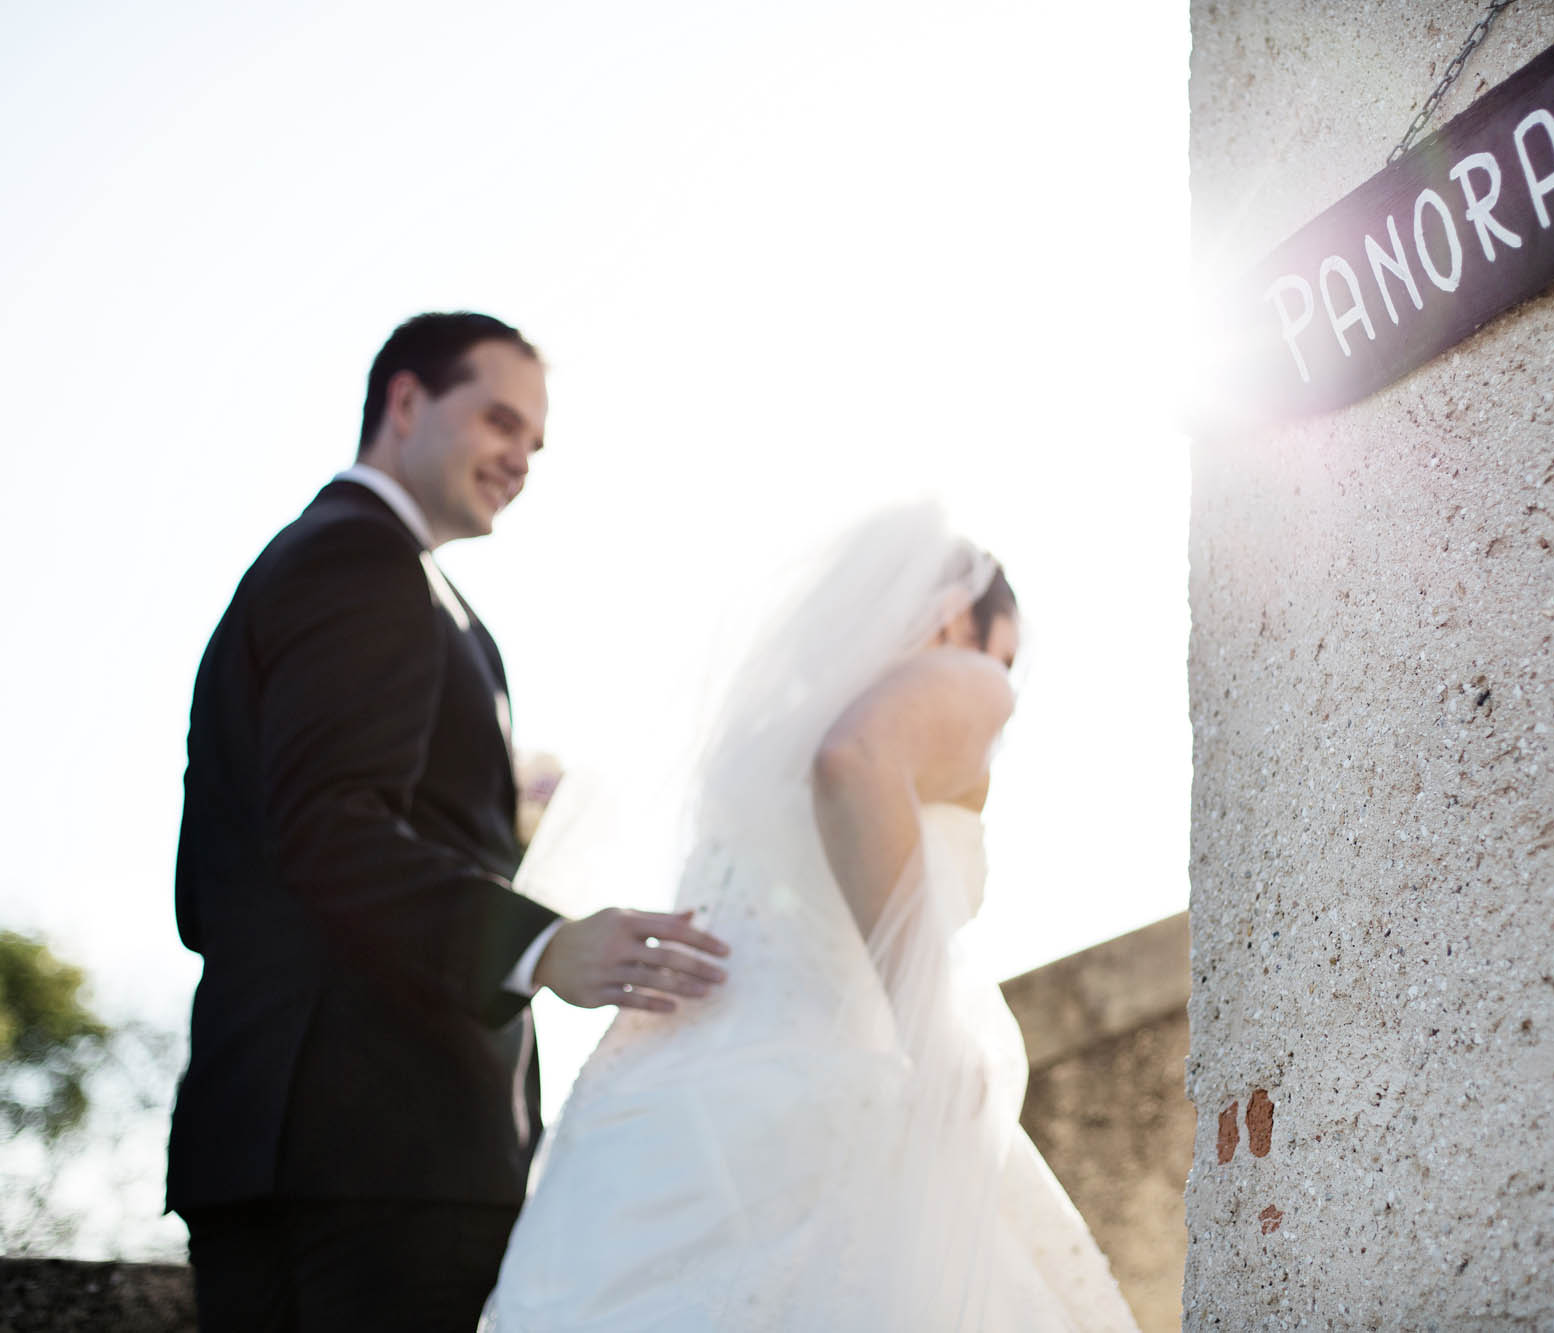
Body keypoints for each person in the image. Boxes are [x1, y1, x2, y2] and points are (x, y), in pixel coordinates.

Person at [167, 312, 730, 1332]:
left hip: (270, 1136)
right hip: (385, 1158)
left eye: (536, 443)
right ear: (405, 400)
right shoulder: (364, 561)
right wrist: (542, 943)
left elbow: (218, 884)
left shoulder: (314, 562)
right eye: (499, 421)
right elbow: (333, 829)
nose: (521, 459)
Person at [483, 506, 1140, 1332]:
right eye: (997, 652)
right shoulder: (966, 681)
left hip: (642, 1125)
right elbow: (853, 759)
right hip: (809, 1115)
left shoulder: (758, 736)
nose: (996, 681)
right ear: (952, 618)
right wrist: (928, 1027)